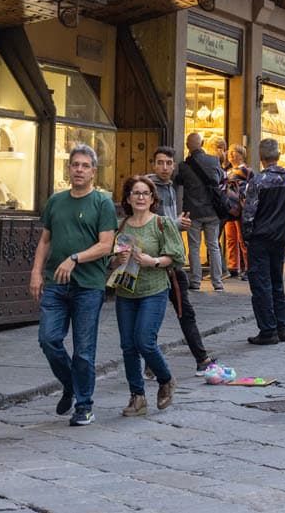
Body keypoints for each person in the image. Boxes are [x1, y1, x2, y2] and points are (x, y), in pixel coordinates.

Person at [30, 144, 117, 426]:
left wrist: (75, 258)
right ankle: (70, 383)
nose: (78, 169)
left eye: (84, 166)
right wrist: (35, 272)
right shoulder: (56, 201)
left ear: (93, 171)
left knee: (83, 349)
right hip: (56, 283)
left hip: (88, 286)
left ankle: (84, 405)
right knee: (48, 339)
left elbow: (106, 245)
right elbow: (45, 239)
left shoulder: (102, 203)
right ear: (69, 168)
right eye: (74, 165)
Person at [110, 176, 187, 416]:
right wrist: (117, 260)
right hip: (126, 291)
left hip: (154, 290)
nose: (141, 197)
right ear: (128, 198)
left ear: (153, 199)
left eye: (145, 193)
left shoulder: (162, 223)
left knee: (144, 340)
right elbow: (111, 260)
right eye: (136, 193)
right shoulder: (121, 226)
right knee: (127, 346)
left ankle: (165, 379)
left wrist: (152, 261)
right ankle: (137, 397)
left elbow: (177, 257)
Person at [147, 148, 218, 373]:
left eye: (169, 163)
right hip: (156, 262)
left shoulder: (169, 186)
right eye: (160, 163)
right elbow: (147, 222)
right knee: (169, 313)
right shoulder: (147, 188)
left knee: (182, 311)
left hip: (172, 260)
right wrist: (175, 224)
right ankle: (200, 359)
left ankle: (199, 358)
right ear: (153, 164)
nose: (165, 167)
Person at [244, 137, 285, 345]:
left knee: (261, 283)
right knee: (277, 282)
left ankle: (268, 329)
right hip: (280, 239)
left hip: (260, 238)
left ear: (261, 157)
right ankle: (281, 326)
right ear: (278, 156)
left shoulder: (258, 181)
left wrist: (247, 236)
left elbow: (249, 214)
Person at [174, 132, 226, 292]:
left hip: (193, 212)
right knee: (213, 246)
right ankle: (217, 282)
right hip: (211, 210)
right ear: (202, 144)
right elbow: (219, 179)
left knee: (194, 247)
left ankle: (195, 281)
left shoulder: (184, 166)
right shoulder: (213, 160)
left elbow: (178, 182)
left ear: (188, 146)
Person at [222, 144, 250, 280]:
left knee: (242, 238)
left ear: (241, 154)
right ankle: (233, 266)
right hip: (229, 207)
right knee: (231, 237)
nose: (231, 155)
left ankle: (247, 268)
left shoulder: (245, 170)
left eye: (234, 152)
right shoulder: (228, 170)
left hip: (241, 207)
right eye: (230, 152)